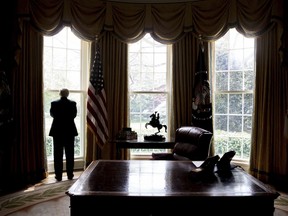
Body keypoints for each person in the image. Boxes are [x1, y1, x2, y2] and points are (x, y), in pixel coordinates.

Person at [49, 88, 78, 181]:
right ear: (68, 94)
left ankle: (58, 176)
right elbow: (74, 115)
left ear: (60, 94)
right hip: (69, 131)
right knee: (70, 154)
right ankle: (70, 174)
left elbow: (52, 115)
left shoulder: (54, 103)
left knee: (58, 155)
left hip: (57, 132)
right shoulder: (72, 104)